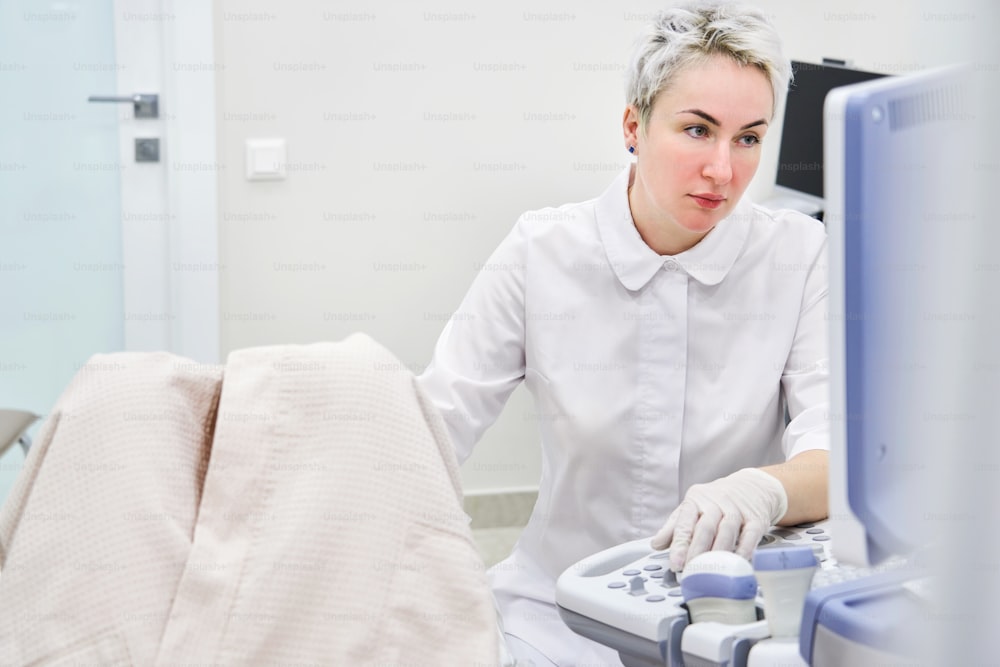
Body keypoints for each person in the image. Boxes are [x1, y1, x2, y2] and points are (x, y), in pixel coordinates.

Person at [417, 2, 829, 664]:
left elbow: (836, 454)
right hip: (557, 614)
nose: (724, 172)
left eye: (749, 137)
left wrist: (763, 486)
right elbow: (433, 425)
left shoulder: (801, 255)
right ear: (633, 126)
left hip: (728, 616)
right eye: (697, 130)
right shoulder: (541, 250)